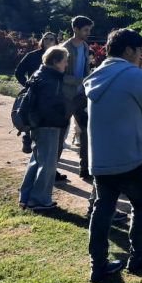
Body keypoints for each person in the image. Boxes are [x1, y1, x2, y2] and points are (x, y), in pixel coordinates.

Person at [85, 28, 142, 283]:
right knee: (141, 206)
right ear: (129, 49)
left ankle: (98, 265)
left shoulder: (95, 75)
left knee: (102, 210)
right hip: (134, 155)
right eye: (140, 51)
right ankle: (137, 257)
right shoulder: (137, 76)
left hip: (101, 158)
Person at [18, 46, 69, 211]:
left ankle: (25, 198)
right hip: (47, 126)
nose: (66, 65)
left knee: (36, 161)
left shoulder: (39, 74)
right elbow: (48, 107)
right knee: (47, 165)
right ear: (55, 62)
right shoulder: (51, 79)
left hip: (36, 125)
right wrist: (61, 121)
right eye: (64, 61)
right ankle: (39, 200)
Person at [60, 15, 94, 179]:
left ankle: (85, 169)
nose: (88, 33)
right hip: (65, 97)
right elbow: (59, 76)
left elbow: (86, 70)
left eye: (89, 30)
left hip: (82, 96)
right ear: (75, 29)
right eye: (86, 30)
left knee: (87, 131)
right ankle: (52, 171)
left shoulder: (86, 47)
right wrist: (80, 80)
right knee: (59, 133)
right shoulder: (63, 49)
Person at [14, 32, 58, 154]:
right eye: (45, 39)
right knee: (30, 116)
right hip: (33, 91)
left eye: (51, 39)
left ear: (56, 42)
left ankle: (42, 146)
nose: (48, 41)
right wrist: (26, 85)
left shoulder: (58, 57)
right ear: (42, 41)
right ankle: (27, 139)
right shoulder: (32, 56)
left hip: (51, 93)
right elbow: (18, 71)